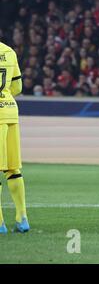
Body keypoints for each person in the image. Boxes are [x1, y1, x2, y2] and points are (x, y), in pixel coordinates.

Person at [0, 41, 30, 234]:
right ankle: (22, 218)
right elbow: (17, 85)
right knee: (13, 168)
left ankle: (0, 223)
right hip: (10, 111)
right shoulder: (8, 51)